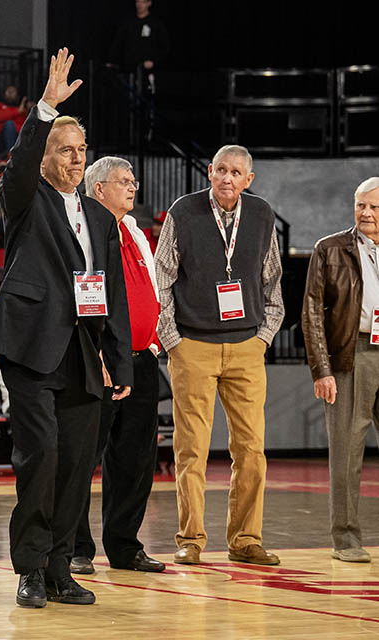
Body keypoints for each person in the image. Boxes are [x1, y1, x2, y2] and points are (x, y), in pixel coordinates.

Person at [0, 48, 132, 608]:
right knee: (40, 457)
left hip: (83, 353)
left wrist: (118, 361)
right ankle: (29, 567)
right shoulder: (23, 197)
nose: (75, 159)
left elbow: (112, 292)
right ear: (45, 155)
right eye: (64, 150)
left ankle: (60, 566)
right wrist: (45, 106)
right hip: (29, 348)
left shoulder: (99, 215)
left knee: (75, 466)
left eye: (81, 150)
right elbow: (19, 162)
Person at [154, 144, 283, 567]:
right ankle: (190, 538)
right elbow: (163, 278)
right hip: (193, 345)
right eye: (221, 170)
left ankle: (245, 539)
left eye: (237, 173)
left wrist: (263, 336)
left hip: (246, 345)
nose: (227, 178)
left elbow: (272, 280)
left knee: (251, 449)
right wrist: (172, 340)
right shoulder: (184, 211)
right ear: (209, 172)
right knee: (192, 448)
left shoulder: (262, 215)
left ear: (249, 179)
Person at [71, 156, 165, 576]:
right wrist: (97, 354)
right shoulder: (81, 230)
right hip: (101, 360)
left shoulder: (135, 232)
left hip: (142, 358)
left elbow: (153, 291)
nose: (133, 187)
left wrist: (156, 341)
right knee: (82, 456)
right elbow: (83, 297)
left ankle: (125, 546)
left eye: (133, 181)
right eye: (123, 181)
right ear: (98, 189)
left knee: (136, 458)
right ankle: (75, 548)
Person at [302, 177, 379, 564]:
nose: (365, 213)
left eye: (374, 207)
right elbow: (312, 312)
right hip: (351, 354)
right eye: (360, 205)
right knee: (347, 452)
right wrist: (322, 368)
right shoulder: (330, 249)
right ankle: (346, 540)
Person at [109, 0, 170, 93]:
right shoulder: (128, 23)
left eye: (143, 2)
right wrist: (113, 62)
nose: (139, 5)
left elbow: (164, 47)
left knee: (148, 95)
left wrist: (154, 62)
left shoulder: (155, 23)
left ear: (149, 3)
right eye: (138, 2)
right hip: (129, 70)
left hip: (147, 71)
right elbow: (117, 44)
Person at [0, 85, 29, 158]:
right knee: (9, 124)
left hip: (17, 140)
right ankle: (11, 155)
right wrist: (17, 112)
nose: (10, 93)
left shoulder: (21, 110)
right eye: (8, 91)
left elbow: (23, 127)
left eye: (13, 91)